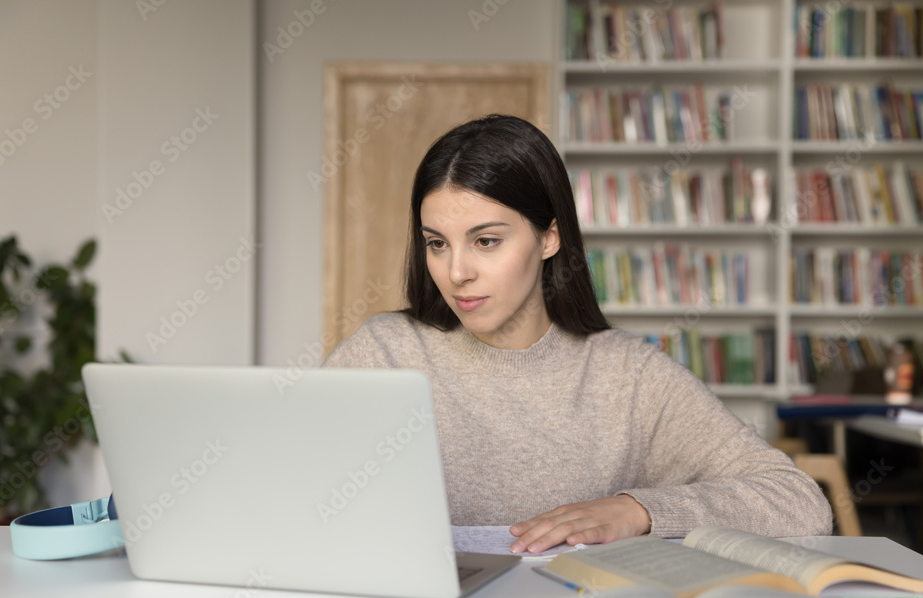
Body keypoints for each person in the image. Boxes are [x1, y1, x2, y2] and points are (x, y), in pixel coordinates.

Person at [322, 114, 832, 554]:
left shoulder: (628, 375)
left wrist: (639, 511)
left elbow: (799, 503)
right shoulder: (384, 353)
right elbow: (283, 490)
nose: (456, 271)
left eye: (487, 241)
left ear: (549, 237)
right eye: (437, 243)